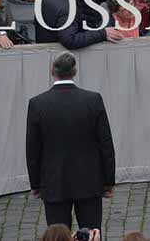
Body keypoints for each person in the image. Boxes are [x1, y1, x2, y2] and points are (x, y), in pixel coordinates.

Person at [26, 52, 116, 229]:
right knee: (91, 234)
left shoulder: (37, 104)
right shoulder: (93, 100)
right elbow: (105, 144)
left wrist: (35, 183)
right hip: (89, 181)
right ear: (75, 71)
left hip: (54, 183)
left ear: (52, 70)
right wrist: (109, 180)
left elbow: (33, 149)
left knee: (58, 235)